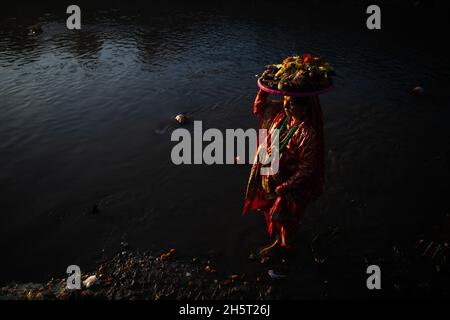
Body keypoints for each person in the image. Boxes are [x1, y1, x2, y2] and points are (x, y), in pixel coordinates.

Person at [243, 89, 325, 256]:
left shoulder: (307, 134)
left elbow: (307, 168)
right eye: (285, 101)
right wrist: (263, 90)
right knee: (272, 212)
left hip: (290, 186)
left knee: (285, 218)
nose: (286, 106)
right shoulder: (281, 116)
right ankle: (278, 240)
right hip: (272, 176)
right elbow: (259, 108)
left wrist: (284, 187)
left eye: (291, 104)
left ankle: (284, 248)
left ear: (305, 109)